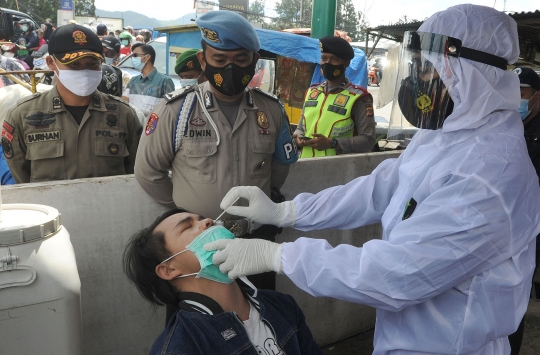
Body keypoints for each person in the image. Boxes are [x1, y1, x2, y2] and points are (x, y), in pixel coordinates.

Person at [206, 5, 540, 355]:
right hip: (408, 338)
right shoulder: (448, 135)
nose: (415, 82)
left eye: (426, 71)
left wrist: (281, 257)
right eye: (416, 68)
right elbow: (379, 189)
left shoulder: (490, 174)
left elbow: (400, 272)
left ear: (470, 75)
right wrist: (287, 212)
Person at [134, 10, 298, 292]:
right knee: (198, 322)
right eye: (220, 60)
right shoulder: (176, 110)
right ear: (203, 60)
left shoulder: (271, 109)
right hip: (198, 250)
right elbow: (148, 172)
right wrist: (183, 212)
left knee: (264, 314)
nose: (230, 68)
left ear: (254, 61)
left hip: (255, 241)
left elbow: (280, 166)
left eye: (240, 60)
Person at [123, 208, 322, 355]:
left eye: (201, 218)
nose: (208, 221)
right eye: (187, 227)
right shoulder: (180, 347)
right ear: (169, 269)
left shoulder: (282, 305)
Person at [2, 24, 142, 183]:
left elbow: (133, 173)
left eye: (92, 63)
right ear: (51, 63)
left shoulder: (124, 115)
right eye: (74, 64)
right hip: (50, 207)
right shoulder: (22, 116)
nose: (84, 71)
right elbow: (22, 179)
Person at [293, 36, 376, 157]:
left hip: (337, 169)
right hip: (306, 166)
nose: (328, 64)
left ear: (346, 63)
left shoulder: (358, 97)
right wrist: (298, 137)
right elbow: (301, 128)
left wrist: (332, 143)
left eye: (334, 59)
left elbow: (368, 141)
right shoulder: (312, 92)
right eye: (324, 58)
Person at [121, 43, 175, 117]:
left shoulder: (164, 81)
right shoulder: (133, 81)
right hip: (134, 126)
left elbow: (170, 110)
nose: (133, 59)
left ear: (147, 57)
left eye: (135, 55)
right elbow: (124, 101)